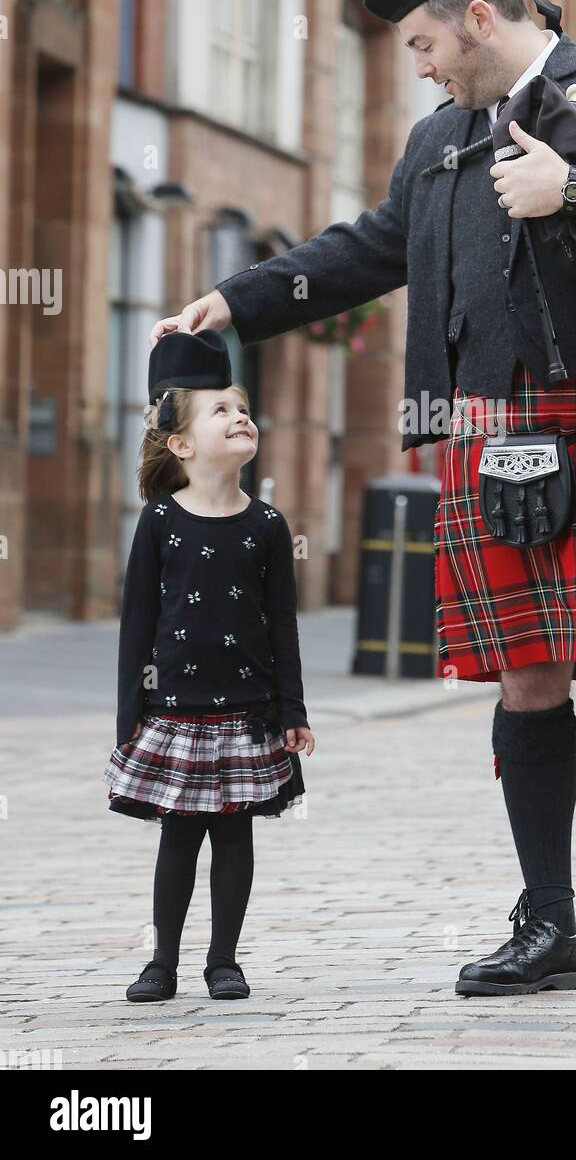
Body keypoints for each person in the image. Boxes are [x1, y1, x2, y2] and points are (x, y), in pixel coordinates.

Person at [148, 0, 576, 1007]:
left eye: (422, 42)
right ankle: (545, 921)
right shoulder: (435, 141)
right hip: (487, 429)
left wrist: (575, 192)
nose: (417, 64)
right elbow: (371, 246)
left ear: (477, 18)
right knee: (524, 675)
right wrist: (242, 297)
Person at [103, 329, 314, 1003]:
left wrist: (293, 713)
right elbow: (136, 623)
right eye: (221, 409)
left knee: (234, 837)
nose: (239, 415)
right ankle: (160, 960)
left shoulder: (269, 525)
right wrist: (129, 715)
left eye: (243, 407)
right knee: (178, 841)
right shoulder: (161, 520)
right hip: (173, 713)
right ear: (183, 445)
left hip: (246, 714)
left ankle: (223, 960)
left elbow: (283, 625)